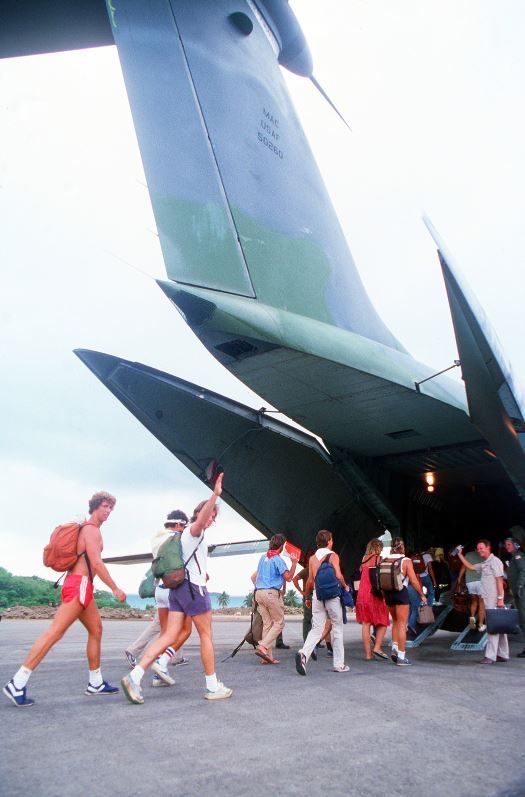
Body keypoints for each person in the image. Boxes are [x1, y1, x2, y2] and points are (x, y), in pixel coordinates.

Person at [3, 491, 126, 707]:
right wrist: (115, 588)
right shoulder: (91, 531)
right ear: (95, 507)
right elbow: (96, 563)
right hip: (78, 585)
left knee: (96, 629)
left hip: (82, 586)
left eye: (110, 508)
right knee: (54, 633)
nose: (107, 511)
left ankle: (95, 682)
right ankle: (17, 682)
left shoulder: (88, 530)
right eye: (104, 506)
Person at [121, 473, 232, 702]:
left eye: (214, 517)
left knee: (169, 634)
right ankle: (212, 686)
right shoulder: (194, 531)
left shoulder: (184, 536)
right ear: (201, 513)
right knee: (206, 635)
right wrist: (215, 495)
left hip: (178, 590)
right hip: (193, 589)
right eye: (210, 515)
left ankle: (135, 675)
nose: (211, 519)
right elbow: (201, 521)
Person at [295, 530, 350, 675]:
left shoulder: (312, 559)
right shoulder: (333, 556)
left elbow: (310, 581)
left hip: (317, 595)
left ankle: (304, 654)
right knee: (337, 628)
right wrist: (345, 586)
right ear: (329, 541)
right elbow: (338, 575)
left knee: (316, 628)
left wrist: (307, 597)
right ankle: (339, 664)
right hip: (332, 596)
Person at [456, 539, 508, 664]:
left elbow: (499, 581)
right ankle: (503, 654)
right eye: (478, 548)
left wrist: (500, 599)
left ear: (488, 547)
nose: (479, 551)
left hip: (494, 599)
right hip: (488, 598)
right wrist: (459, 554)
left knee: (492, 627)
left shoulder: (495, 562)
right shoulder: (485, 563)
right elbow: (471, 567)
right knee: (500, 626)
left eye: (481, 548)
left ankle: (490, 656)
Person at [251, 533, 299, 664]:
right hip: (271, 594)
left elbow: (254, 577)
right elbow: (288, 577)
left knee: (267, 624)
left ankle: (267, 657)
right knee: (279, 623)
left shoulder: (263, 557)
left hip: (259, 593)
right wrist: (294, 563)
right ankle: (263, 646)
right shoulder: (278, 559)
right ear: (282, 546)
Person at [383, 537, 427, 667]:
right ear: (402, 547)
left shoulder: (385, 559)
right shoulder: (406, 561)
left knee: (395, 622)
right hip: (401, 593)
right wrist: (421, 594)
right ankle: (401, 657)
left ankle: (395, 649)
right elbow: (413, 580)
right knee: (402, 624)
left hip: (388, 594)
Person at [355, 538, 390, 660]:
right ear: (379, 548)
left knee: (366, 624)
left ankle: (368, 655)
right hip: (375, 594)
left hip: (362, 594)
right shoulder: (379, 560)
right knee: (383, 621)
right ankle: (377, 647)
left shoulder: (363, 560)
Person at [504, 537, 525, 658]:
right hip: (518, 593)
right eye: (506, 545)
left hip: (521, 592)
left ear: (515, 545)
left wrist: (520, 585)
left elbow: (524, 570)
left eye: (509, 545)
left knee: (524, 618)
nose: (507, 547)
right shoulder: (513, 558)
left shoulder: (518, 556)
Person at [457, 546, 485, 631]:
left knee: (474, 601)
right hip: (480, 582)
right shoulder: (484, 555)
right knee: (481, 603)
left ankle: (472, 621)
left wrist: (459, 578)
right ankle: (480, 624)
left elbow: (464, 567)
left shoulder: (468, 555)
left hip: (470, 582)